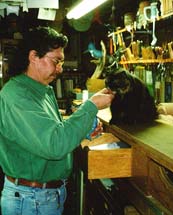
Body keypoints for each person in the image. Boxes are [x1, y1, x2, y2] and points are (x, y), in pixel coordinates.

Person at [0, 26, 114, 215]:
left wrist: (82, 129)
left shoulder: (42, 90)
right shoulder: (17, 96)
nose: (60, 69)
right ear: (34, 57)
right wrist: (91, 106)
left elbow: (55, 130)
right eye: (56, 61)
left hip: (44, 196)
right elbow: (54, 144)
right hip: (31, 200)